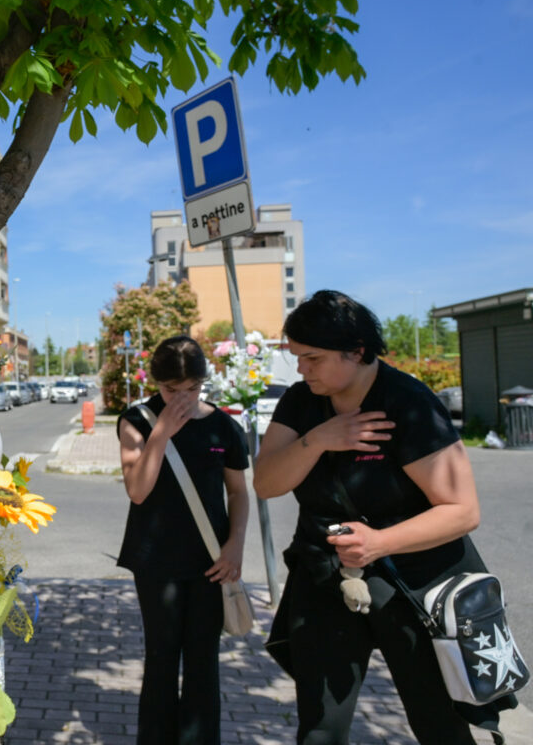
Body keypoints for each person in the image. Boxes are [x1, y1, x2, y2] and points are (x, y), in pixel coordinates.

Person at [255, 289, 514, 744]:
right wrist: (318, 439)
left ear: (355, 352)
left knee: (439, 725)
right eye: (298, 357)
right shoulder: (302, 402)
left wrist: (379, 543)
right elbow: (266, 483)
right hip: (324, 575)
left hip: (413, 584)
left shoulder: (408, 403)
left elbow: (462, 511)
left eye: (312, 358)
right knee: (320, 727)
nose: (301, 369)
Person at [116, 335, 250, 745]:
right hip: (156, 562)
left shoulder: (224, 425)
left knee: (203, 662)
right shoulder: (136, 420)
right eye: (172, 390)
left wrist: (236, 546)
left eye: (192, 389)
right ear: (156, 383)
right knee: (160, 659)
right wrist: (161, 433)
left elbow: (239, 493)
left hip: (212, 561)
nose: (183, 399)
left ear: (203, 382)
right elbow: (137, 490)